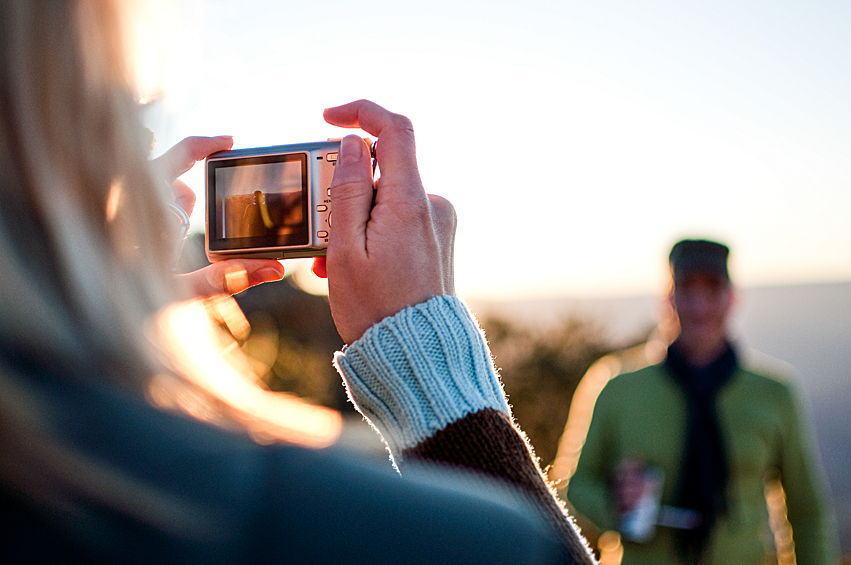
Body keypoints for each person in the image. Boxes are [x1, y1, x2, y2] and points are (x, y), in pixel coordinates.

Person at [0, 1, 598, 563]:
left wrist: (105, 319)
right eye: (132, 104)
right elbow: (516, 545)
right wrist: (426, 354)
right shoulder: (314, 522)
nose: (143, 135)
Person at [563, 239, 840, 564]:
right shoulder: (615, 384)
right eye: (686, 291)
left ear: (732, 298)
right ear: (667, 299)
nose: (699, 307)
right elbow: (573, 487)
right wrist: (615, 508)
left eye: (712, 292)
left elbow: (806, 510)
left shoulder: (775, 393)